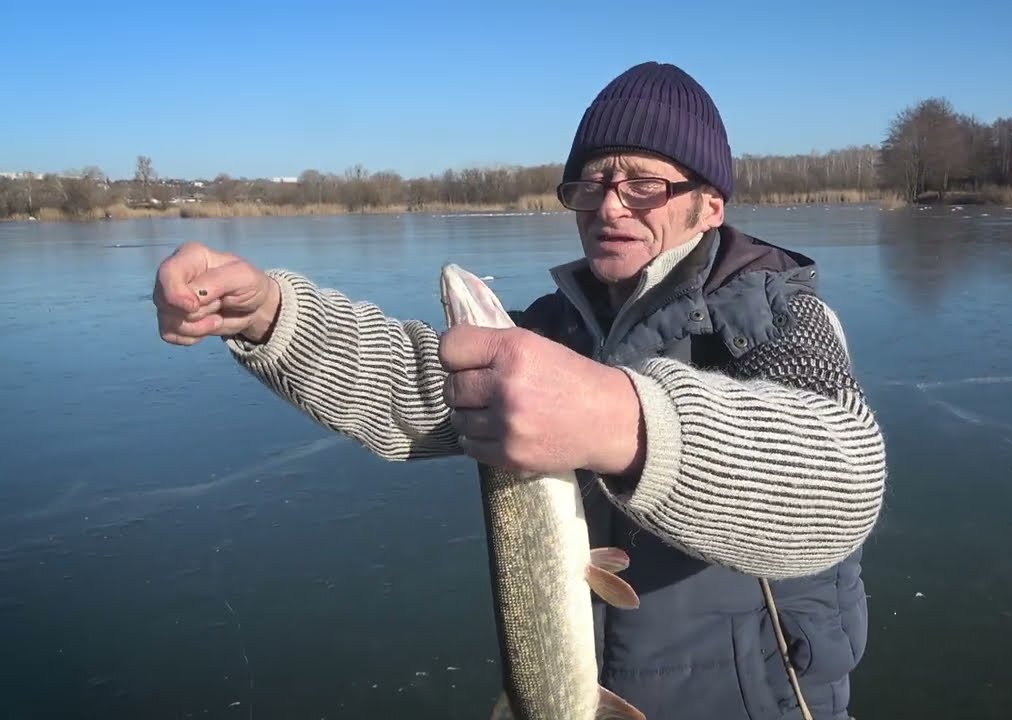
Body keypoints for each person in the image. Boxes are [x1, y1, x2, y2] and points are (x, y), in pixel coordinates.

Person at [153, 60, 887, 720]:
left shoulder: (781, 316)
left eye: (644, 184)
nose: (609, 205)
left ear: (710, 205)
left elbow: (842, 481)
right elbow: (411, 382)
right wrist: (269, 315)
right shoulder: (550, 328)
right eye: (591, 182)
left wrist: (617, 421)